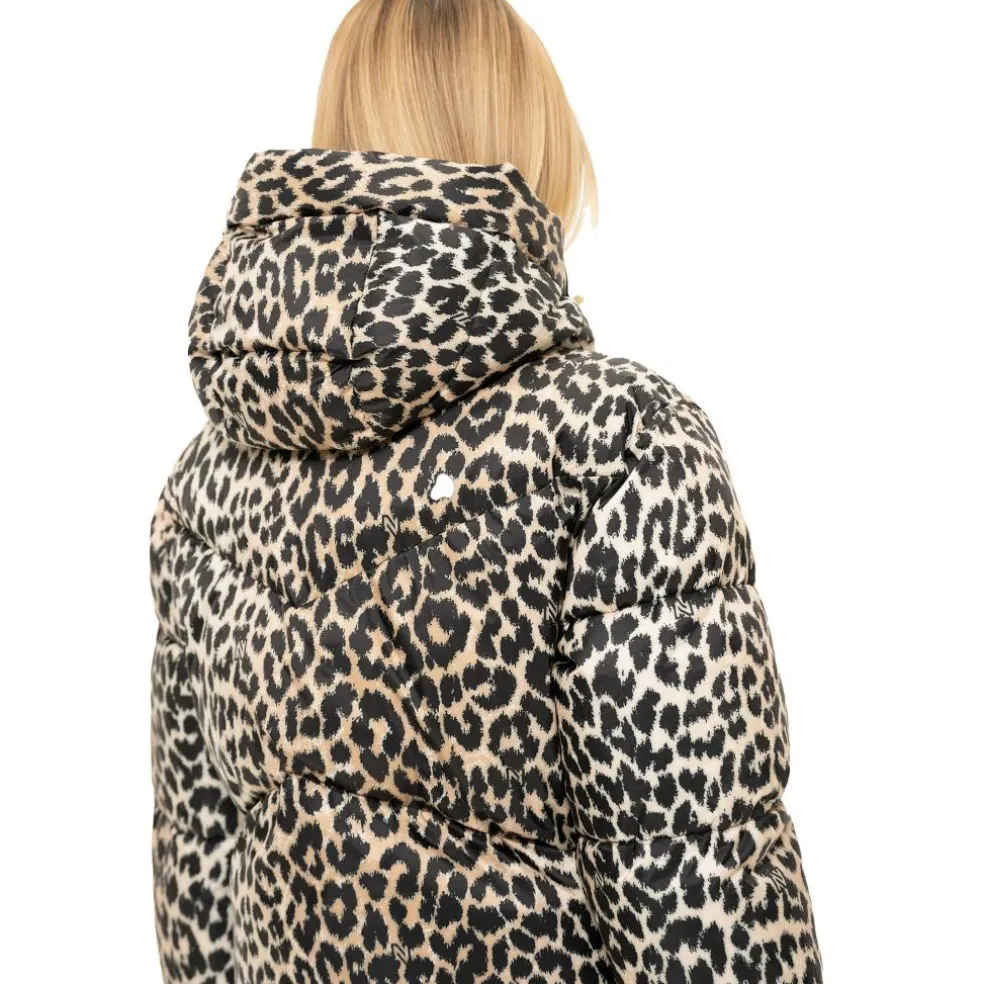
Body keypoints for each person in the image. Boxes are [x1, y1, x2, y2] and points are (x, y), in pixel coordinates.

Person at [149, 1, 822, 981]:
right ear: (533, 139)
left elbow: (199, 897)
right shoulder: (615, 441)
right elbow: (696, 886)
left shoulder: (206, 488)